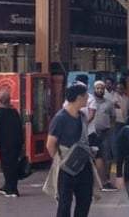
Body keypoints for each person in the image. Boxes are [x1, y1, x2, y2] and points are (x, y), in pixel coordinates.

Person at [43, 82, 94, 217]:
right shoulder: (60, 118)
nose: (87, 98)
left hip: (83, 164)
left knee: (85, 199)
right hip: (66, 166)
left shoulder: (82, 116)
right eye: (85, 95)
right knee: (64, 202)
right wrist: (59, 160)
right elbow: (50, 144)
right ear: (78, 98)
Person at [0, 88, 24, 198]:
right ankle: (9, 186)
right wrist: (21, 143)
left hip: (5, 143)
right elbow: (20, 128)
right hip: (15, 142)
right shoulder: (14, 111)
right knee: (13, 164)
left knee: (6, 165)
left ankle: (11, 189)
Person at [89, 79, 117, 191]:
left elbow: (113, 117)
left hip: (105, 133)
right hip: (92, 134)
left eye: (101, 88)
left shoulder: (109, 103)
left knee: (106, 157)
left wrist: (111, 128)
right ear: (94, 89)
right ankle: (95, 181)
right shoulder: (89, 102)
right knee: (92, 158)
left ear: (104, 90)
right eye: (97, 88)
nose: (99, 90)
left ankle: (106, 181)